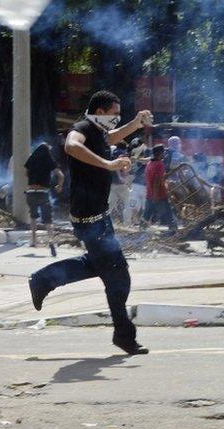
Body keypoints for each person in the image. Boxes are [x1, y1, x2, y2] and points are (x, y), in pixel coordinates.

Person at [28, 90, 153, 355]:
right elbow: (71, 146)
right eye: (113, 113)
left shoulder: (98, 132)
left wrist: (134, 123)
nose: (115, 117)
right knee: (118, 276)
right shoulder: (82, 127)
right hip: (88, 217)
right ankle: (124, 335)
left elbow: (110, 137)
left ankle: (44, 280)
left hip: (98, 215)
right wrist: (109, 165)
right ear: (99, 111)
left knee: (101, 266)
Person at [24, 142, 65, 257]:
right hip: (43, 193)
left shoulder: (31, 159)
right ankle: (51, 240)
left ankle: (33, 240)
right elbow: (61, 175)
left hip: (31, 192)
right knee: (48, 219)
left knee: (33, 216)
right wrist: (59, 186)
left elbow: (26, 174)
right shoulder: (49, 160)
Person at [142, 144, 177, 232]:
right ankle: (173, 229)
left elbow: (155, 178)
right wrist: (156, 195)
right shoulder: (159, 164)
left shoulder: (150, 163)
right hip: (159, 194)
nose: (164, 154)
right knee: (167, 212)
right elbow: (156, 180)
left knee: (147, 214)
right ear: (160, 153)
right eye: (163, 152)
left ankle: (142, 228)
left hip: (149, 193)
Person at [128, 138, 150, 226]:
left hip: (145, 184)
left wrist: (137, 159)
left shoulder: (148, 150)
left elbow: (149, 160)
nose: (135, 148)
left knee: (145, 204)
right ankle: (135, 221)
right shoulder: (133, 153)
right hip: (136, 183)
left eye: (136, 146)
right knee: (133, 202)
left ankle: (145, 222)